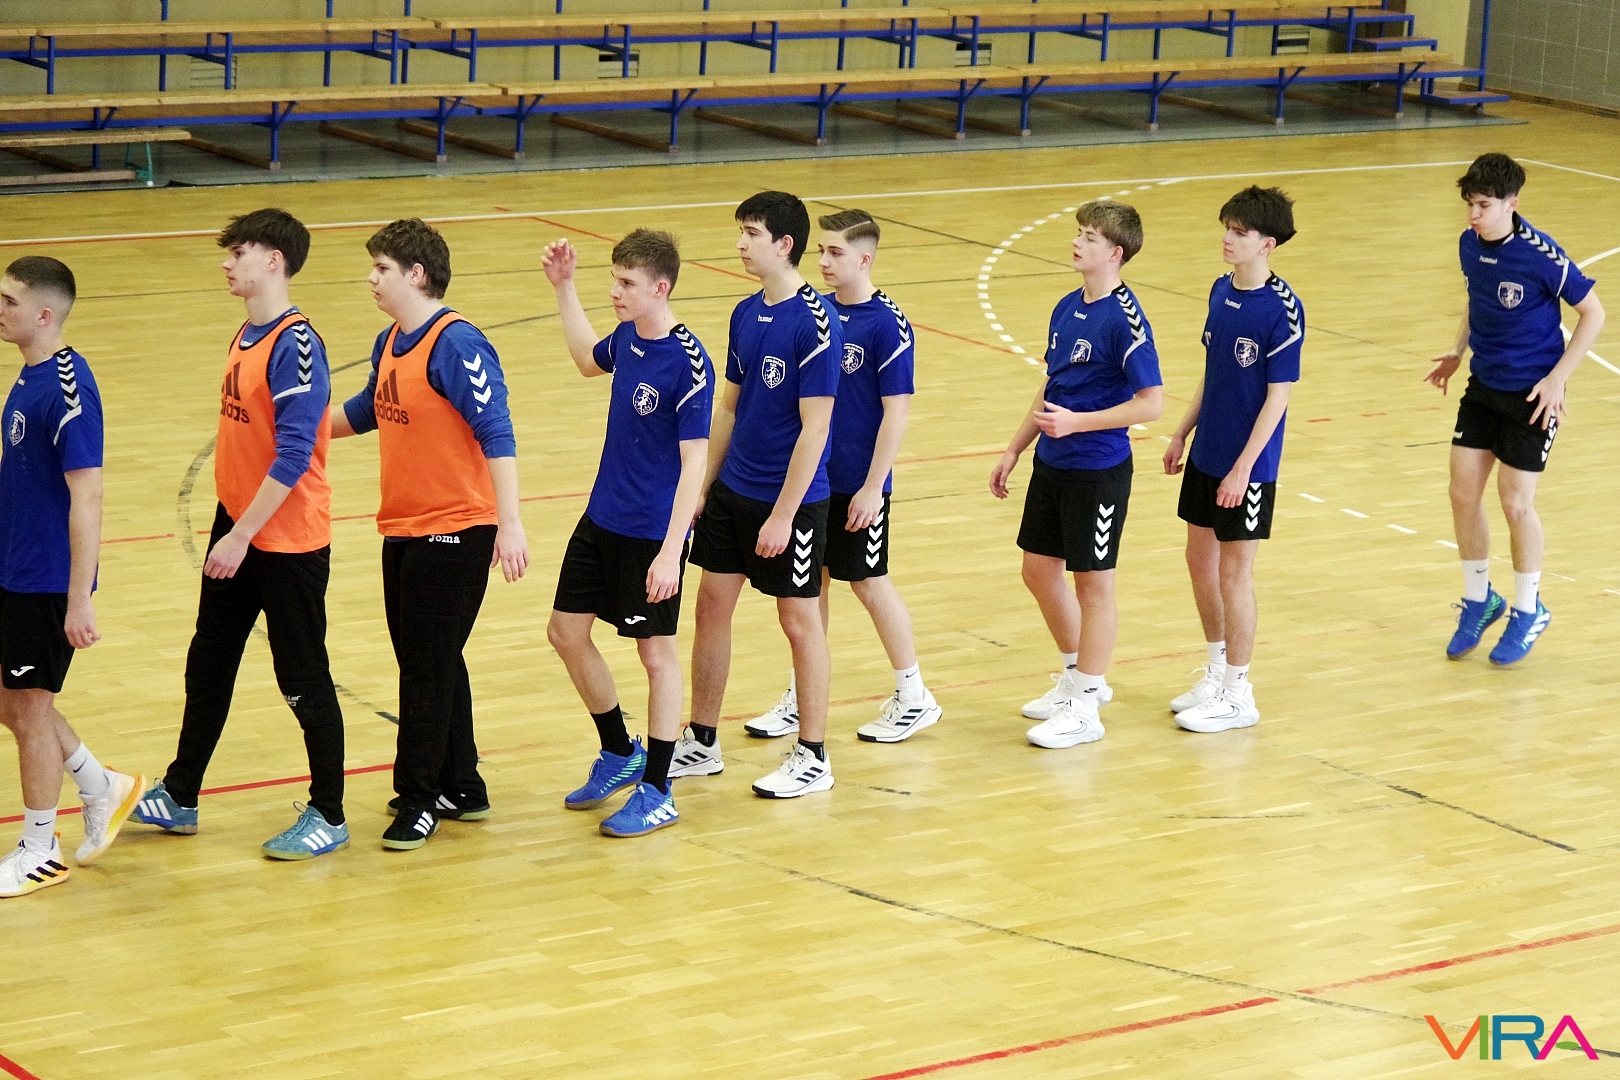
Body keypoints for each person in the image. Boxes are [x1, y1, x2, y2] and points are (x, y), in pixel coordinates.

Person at [130, 209, 349, 859]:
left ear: (274, 261)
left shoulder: (296, 345)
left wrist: (240, 536)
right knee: (210, 660)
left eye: (240, 251)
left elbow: (293, 454)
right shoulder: (249, 332)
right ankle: (181, 794)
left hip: (286, 539)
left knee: (302, 676)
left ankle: (330, 813)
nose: (227, 262)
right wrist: (233, 528)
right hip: (241, 525)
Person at [331, 218, 529, 850]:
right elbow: (368, 408)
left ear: (416, 274)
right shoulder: (390, 340)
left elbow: (496, 430)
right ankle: (462, 784)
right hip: (403, 525)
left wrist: (510, 524)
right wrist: (301, 427)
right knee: (433, 658)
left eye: (382, 268)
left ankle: (418, 799)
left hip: (457, 528)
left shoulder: (457, 344)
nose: (371, 279)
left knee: (424, 667)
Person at [745, 209, 941, 744]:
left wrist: (874, 487)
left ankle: (914, 695)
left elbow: (896, 412)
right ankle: (801, 697)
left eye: (836, 253)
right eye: (822, 252)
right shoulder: (819, 313)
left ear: (865, 259)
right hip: (816, 483)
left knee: (868, 582)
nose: (825, 262)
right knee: (812, 587)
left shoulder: (887, 324)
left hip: (860, 484)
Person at [541, 229, 713, 836]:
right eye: (614, 280)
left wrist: (671, 553)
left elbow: (695, 462)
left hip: (650, 534)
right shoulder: (628, 338)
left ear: (659, 288)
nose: (614, 292)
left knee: (655, 655)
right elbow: (587, 360)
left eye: (626, 283)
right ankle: (619, 750)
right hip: (602, 517)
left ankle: (659, 788)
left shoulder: (689, 362)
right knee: (565, 632)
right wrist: (564, 287)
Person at [672, 191, 843, 797]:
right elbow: (729, 407)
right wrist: (703, 488)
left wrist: (784, 515)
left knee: (799, 620)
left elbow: (816, 429)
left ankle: (814, 755)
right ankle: (702, 741)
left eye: (751, 233)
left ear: (783, 244)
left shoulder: (817, 323)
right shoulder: (745, 312)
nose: (740, 244)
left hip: (790, 502)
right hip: (733, 493)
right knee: (711, 607)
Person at [989, 201, 1163, 749]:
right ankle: (1076, 677)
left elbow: (1152, 403)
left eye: (1089, 237)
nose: (1077, 243)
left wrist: (1078, 424)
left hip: (1098, 469)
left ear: (1115, 253)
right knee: (1038, 571)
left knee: (1093, 584)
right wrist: (1016, 447)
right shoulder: (1067, 306)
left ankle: (1086, 706)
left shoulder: (1126, 319)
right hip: (1052, 462)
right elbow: (1051, 385)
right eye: (1079, 233)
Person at [0, 256, 143, 897]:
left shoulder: (67, 387)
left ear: (44, 314)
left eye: (9, 301)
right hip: (12, 567)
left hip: (45, 581)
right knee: (9, 700)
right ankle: (100, 784)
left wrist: (78, 598)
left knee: (30, 711)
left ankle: (40, 848)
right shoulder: (28, 375)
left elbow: (88, 495)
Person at [1427, 153, 1604, 665]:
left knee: (1516, 504)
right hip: (1484, 385)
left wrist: (1557, 379)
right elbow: (1476, 298)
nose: (1473, 215)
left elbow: (1593, 314)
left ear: (1512, 203)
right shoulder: (1469, 244)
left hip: (1533, 395)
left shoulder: (1541, 255)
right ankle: (1480, 600)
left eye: (1483, 205)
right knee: (1462, 492)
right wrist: (1457, 350)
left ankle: (1529, 609)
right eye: (1469, 204)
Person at [1162, 186, 1304, 733]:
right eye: (1227, 227)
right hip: (1207, 453)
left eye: (1240, 232)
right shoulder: (1221, 290)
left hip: (1250, 467)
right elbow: (1213, 373)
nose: (1227, 238)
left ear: (1268, 244)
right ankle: (1217, 671)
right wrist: (1182, 432)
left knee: (1234, 572)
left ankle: (1239, 692)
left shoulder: (1283, 310)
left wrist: (1245, 467)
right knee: (1199, 559)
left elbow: (1277, 398)